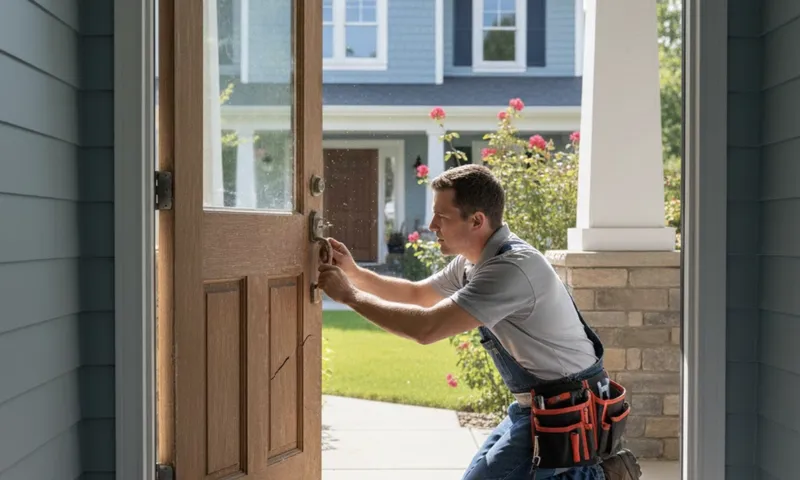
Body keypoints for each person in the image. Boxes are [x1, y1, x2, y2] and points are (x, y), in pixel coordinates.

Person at [317, 164, 641, 480]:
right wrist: (355, 274)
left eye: (442, 217)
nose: (432, 225)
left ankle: (601, 474)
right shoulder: (473, 262)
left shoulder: (510, 269)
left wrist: (350, 297)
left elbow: (426, 328)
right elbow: (418, 295)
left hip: (567, 409)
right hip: (535, 405)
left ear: (476, 221)